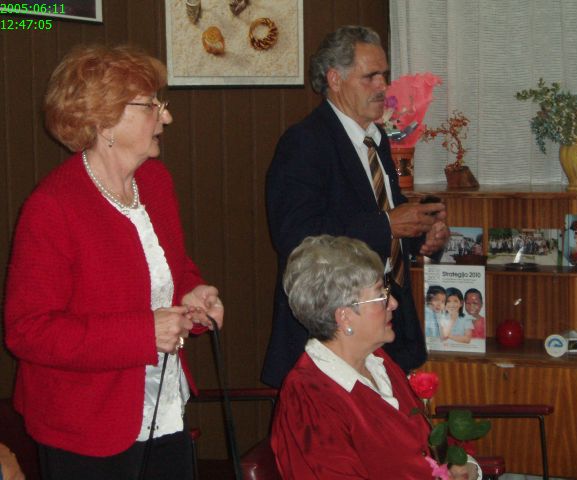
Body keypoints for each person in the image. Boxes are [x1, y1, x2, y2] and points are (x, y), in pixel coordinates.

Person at [4, 44, 224, 480]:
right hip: (85, 425)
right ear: (104, 122)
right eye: (151, 105)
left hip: (164, 407)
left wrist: (192, 294)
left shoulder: (155, 181)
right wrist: (144, 333)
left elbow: (170, 268)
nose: (166, 117)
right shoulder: (52, 207)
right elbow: (29, 331)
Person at [263, 25, 449, 388]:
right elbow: (295, 237)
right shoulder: (305, 142)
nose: (383, 86)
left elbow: (379, 216)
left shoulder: (375, 140)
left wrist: (420, 237)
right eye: (370, 76)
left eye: (385, 75)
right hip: (332, 335)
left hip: (387, 329)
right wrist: (388, 225)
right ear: (335, 79)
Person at [271, 235, 480, 480]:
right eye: (381, 295)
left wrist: (463, 465)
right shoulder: (308, 396)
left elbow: (424, 443)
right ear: (344, 317)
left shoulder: (377, 361)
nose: (393, 303)